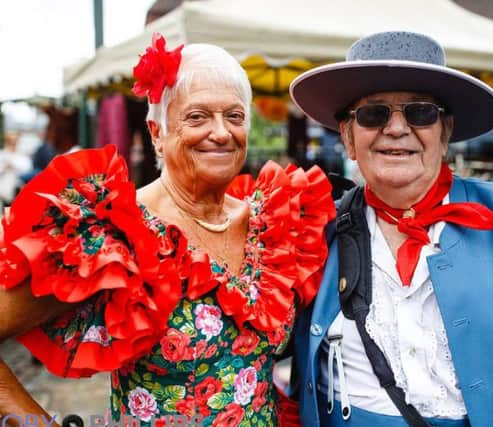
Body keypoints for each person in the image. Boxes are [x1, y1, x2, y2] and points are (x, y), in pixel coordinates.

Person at [0, 33, 335, 426]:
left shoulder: (270, 222)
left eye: (234, 116)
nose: (222, 132)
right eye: (197, 117)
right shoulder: (115, 234)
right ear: (157, 132)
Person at [288, 31, 493, 427]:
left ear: (445, 132)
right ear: (348, 137)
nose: (397, 128)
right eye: (373, 114)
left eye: (420, 112)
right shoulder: (312, 232)